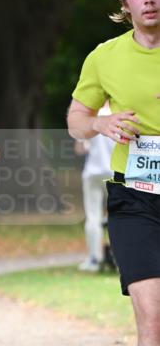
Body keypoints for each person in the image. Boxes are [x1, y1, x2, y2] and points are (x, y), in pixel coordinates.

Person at [67, 0, 160, 346]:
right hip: (137, 196)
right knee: (151, 315)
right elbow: (77, 118)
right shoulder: (104, 57)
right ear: (124, 4)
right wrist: (101, 126)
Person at [74, 105, 115, 272]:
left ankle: (94, 258)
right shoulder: (118, 114)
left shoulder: (90, 116)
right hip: (115, 173)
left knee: (93, 217)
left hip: (93, 173)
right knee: (119, 215)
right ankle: (119, 257)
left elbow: (80, 148)